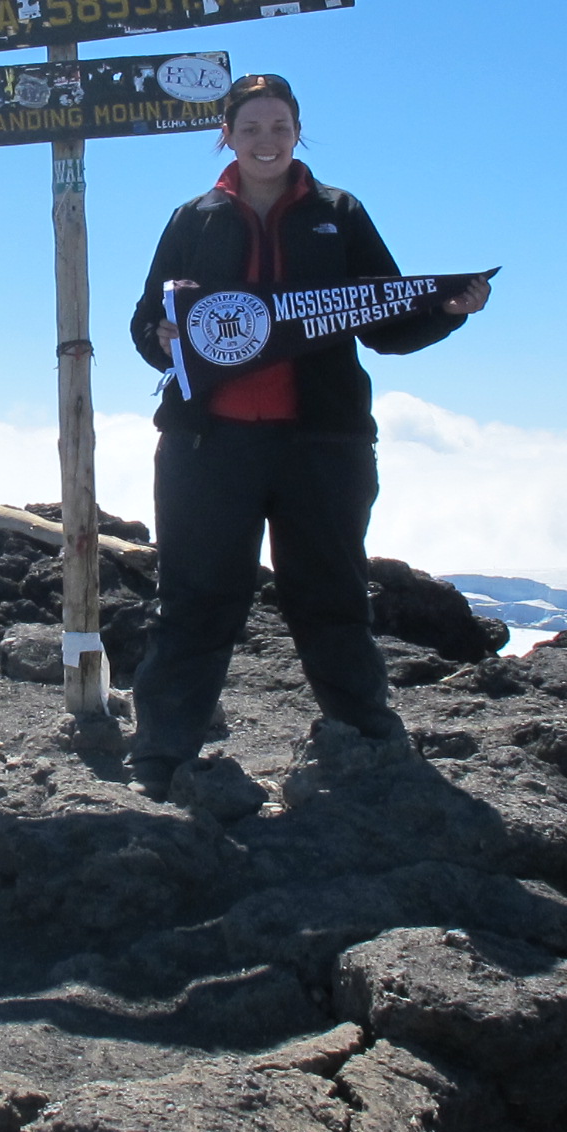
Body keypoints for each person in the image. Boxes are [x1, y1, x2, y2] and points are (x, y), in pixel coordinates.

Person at [121, 72, 489, 800]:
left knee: (332, 596)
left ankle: (368, 739)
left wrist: (448, 311)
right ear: (225, 134)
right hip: (208, 446)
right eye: (250, 128)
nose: (266, 141)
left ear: (298, 132)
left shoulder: (338, 213)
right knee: (195, 600)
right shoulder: (193, 219)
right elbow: (146, 323)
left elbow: (383, 318)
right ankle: (161, 758)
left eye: (280, 127)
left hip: (322, 444)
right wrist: (163, 340)